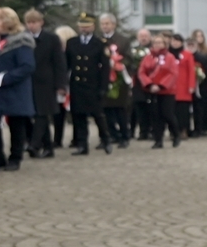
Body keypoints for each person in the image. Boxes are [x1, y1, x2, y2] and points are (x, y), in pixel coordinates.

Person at [0, 7, 36, 172]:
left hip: (14, 89)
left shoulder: (21, 41)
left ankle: (15, 158)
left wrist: (4, 79)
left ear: (8, 22)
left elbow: (27, 66)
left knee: (16, 125)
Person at [65, 14, 112, 155]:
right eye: (82, 26)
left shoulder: (100, 43)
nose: (84, 29)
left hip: (93, 84)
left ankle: (106, 139)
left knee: (98, 115)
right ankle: (82, 144)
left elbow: (105, 68)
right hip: (77, 84)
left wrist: (104, 87)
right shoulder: (72, 42)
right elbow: (66, 64)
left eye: (87, 26)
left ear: (93, 26)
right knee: (78, 116)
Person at [23, 9, 66, 159]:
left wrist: (61, 84)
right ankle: (48, 146)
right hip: (29, 81)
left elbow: (59, 62)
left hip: (47, 82)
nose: (31, 25)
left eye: (34, 22)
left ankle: (35, 144)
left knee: (42, 113)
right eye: (29, 22)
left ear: (41, 22)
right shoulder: (24, 38)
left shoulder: (51, 39)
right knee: (36, 114)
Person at [136, 34, 180, 148]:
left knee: (167, 114)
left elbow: (173, 73)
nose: (157, 45)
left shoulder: (170, 57)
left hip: (167, 91)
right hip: (152, 91)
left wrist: (161, 85)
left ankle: (176, 134)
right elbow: (141, 72)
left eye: (160, 42)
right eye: (155, 42)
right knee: (155, 116)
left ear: (165, 44)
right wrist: (149, 84)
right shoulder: (148, 57)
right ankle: (158, 140)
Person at [98, 14, 133, 149]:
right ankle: (110, 135)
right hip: (103, 79)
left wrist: (118, 64)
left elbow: (129, 58)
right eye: (103, 24)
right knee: (105, 109)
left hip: (119, 80)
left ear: (114, 24)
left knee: (120, 109)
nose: (105, 26)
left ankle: (124, 135)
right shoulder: (98, 40)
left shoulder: (123, 40)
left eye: (107, 23)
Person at [168, 33, 196, 141]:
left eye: (177, 41)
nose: (175, 43)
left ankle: (183, 130)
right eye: (173, 41)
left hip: (183, 87)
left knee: (183, 111)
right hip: (170, 87)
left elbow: (191, 71)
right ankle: (173, 131)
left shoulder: (187, 54)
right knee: (171, 111)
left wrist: (191, 85)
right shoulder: (167, 54)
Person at [129, 27, 154, 141]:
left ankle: (152, 130)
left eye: (145, 36)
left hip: (151, 82)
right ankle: (143, 131)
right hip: (138, 83)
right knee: (139, 107)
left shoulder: (153, 50)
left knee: (151, 108)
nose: (143, 38)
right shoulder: (133, 51)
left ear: (150, 37)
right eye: (141, 36)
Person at [190, 29, 207, 137]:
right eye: (197, 36)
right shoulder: (190, 51)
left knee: (204, 105)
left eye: (201, 36)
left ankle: (204, 127)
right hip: (193, 82)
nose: (199, 38)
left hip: (204, 81)